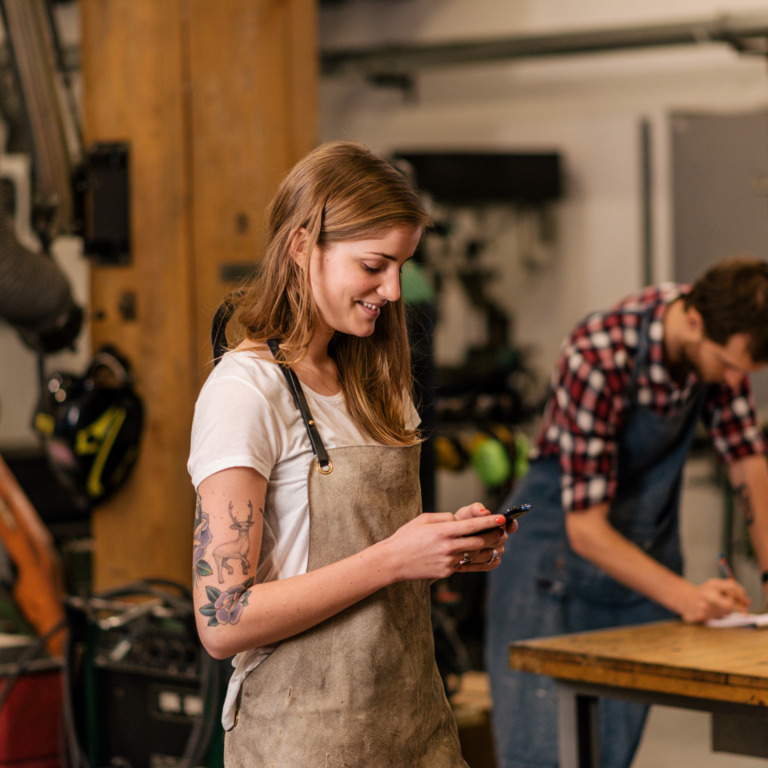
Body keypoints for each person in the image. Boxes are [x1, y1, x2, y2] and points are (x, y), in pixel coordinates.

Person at [188, 140, 515, 768]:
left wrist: (443, 546)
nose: (393, 290)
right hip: (305, 739)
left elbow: (385, 549)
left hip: (413, 721)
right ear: (301, 247)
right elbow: (222, 619)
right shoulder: (244, 392)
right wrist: (395, 559)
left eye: (402, 265)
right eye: (374, 266)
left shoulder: (374, 380)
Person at [485, 256, 768, 768]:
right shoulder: (601, 353)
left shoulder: (719, 338)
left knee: (606, 757)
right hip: (553, 572)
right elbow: (587, 531)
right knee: (543, 758)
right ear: (695, 322)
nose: (732, 381)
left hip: (636, 574)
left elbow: (751, 468)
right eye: (728, 367)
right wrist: (687, 596)